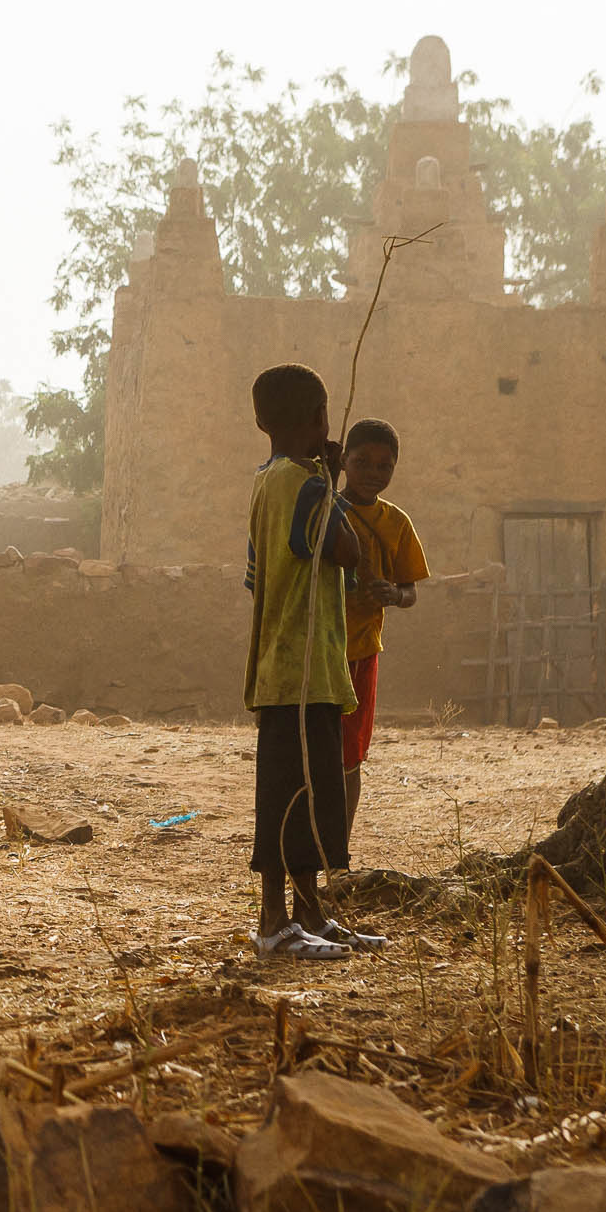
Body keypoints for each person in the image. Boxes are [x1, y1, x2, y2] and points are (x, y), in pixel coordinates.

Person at [243, 363, 386, 960]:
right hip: (301, 671)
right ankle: (274, 925)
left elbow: (256, 577)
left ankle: (310, 915)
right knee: (290, 799)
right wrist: (330, 480)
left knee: (305, 794)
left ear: (261, 422)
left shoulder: (263, 483)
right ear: (319, 421)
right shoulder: (305, 488)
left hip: (290, 667)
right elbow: (346, 550)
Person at [338, 419, 429, 862]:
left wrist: (393, 595)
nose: (374, 473)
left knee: (350, 759)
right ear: (343, 462)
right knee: (315, 756)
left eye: (384, 466)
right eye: (362, 463)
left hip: (361, 651)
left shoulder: (396, 522)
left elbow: (411, 590)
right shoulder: (326, 511)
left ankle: (340, 849)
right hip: (320, 650)